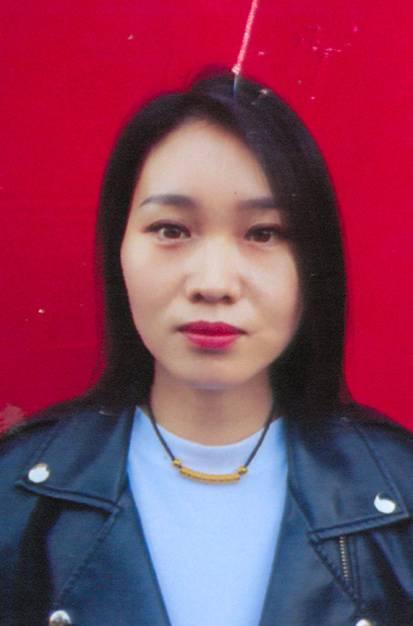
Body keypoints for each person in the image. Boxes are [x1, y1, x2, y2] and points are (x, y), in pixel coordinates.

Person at [1, 71, 413, 626]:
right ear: (118, 250)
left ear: (314, 264)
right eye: (171, 230)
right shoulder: (15, 499)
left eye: (263, 233)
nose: (214, 284)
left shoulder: (401, 495)